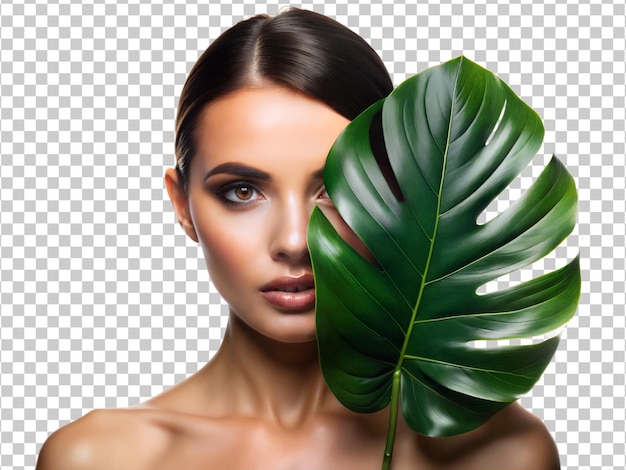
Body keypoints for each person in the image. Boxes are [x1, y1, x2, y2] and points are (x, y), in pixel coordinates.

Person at [36, 8, 560, 470]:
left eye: (335, 189)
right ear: (182, 205)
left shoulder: (500, 455)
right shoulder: (100, 459)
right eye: (242, 191)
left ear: (401, 196)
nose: (292, 240)